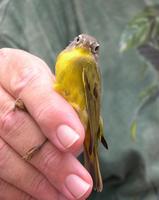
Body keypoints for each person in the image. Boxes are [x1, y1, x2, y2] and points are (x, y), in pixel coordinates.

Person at [0, 1, 159, 200]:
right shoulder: (29, 12)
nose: (84, 46)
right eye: (79, 41)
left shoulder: (88, 66)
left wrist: (91, 135)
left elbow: (92, 108)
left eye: (94, 48)